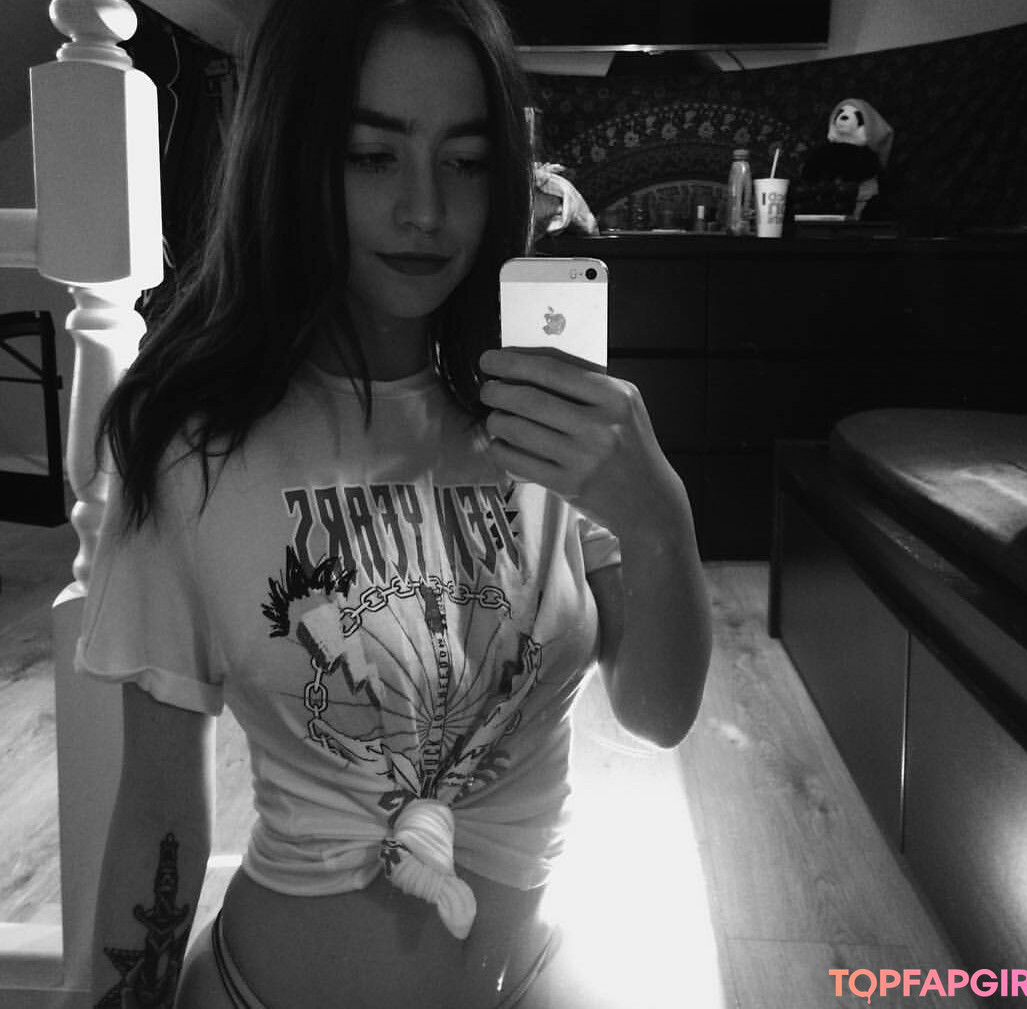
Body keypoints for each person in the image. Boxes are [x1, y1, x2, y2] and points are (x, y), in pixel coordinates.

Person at [78, 0, 712, 1005]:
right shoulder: (193, 448)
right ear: (293, 159)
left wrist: (659, 516)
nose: (426, 209)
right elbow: (160, 809)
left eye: (465, 161)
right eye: (372, 156)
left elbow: (660, 712)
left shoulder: (546, 417)